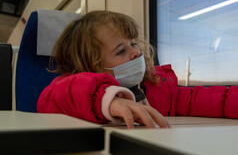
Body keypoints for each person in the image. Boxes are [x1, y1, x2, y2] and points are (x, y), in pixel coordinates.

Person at [37, 10, 171, 129]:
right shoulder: (69, 87)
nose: (136, 52)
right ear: (92, 67)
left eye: (133, 43)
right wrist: (107, 100)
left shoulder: (155, 83)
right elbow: (50, 99)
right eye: (121, 51)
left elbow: (188, 100)